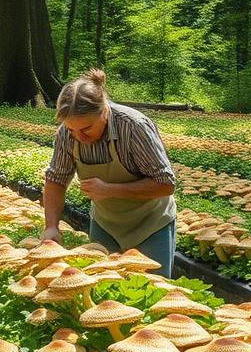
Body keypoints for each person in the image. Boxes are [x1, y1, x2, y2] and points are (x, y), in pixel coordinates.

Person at [40, 69, 178, 277]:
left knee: (151, 291)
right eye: (71, 130)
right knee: (103, 288)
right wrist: (51, 226)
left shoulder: (133, 127)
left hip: (150, 225)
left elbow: (166, 184)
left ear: (104, 111)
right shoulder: (66, 135)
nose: (79, 137)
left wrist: (110, 190)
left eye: (86, 129)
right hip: (105, 224)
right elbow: (56, 180)